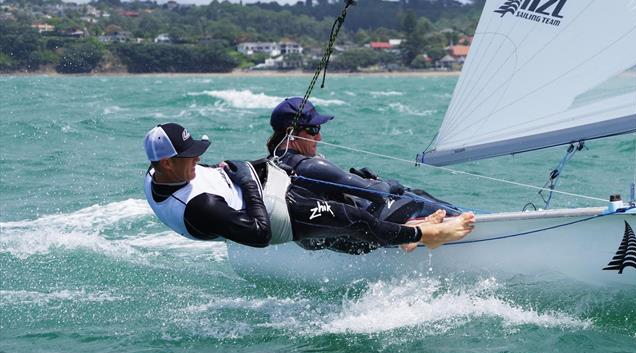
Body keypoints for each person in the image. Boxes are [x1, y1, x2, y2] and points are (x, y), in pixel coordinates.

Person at [143, 122, 474, 254]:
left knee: (337, 226)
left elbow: (201, 176)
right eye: (189, 156)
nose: (197, 159)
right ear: (168, 163)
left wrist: (227, 173)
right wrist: (246, 180)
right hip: (274, 216)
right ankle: (425, 236)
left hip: (266, 192)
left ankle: (400, 234)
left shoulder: (158, 172)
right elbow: (259, 235)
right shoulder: (200, 206)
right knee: (349, 218)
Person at [266, 96, 462, 225]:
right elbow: (378, 193)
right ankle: (462, 219)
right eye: (313, 130)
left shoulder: (274, 163)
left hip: (324, 234)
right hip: (363, 229)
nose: (319, 138)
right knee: (411, 195)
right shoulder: (310, 165)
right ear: (291, 133)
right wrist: (388, 184)